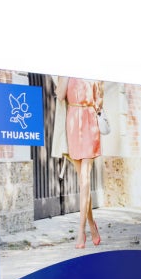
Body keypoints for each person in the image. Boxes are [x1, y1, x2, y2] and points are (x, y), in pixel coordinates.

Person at [56, 76, 103, 248]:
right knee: (83, 183)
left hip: (90, 122)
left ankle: (81, 231)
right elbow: (60, 96)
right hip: (73, 123)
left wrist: (96, 102)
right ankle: (92, 225)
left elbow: (99, 100)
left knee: (85, 179)